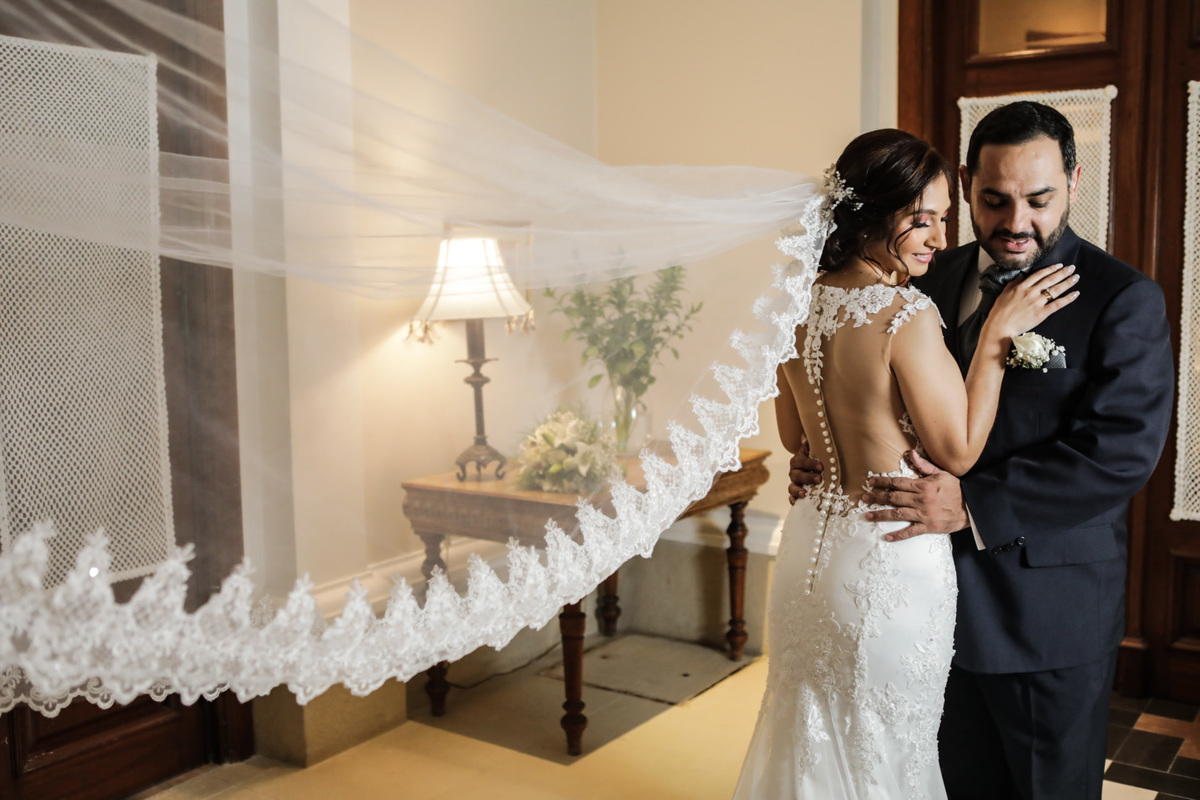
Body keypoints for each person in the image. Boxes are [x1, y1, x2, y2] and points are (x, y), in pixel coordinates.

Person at [788, 102, 1174, 799]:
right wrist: (824, 455)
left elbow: (1119, 453)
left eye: (1038, 200)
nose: (1016, 221)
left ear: (1074, 182)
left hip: (1041, 614)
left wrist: (973, 504)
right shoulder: (920, 274)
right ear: (966, 183)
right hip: (916, 599)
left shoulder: (1121, 298)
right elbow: (876, 397)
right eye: (994, 200)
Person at [734, 127, 1079, 799]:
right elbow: (957, 450)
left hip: (807, 555)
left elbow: (795, 439)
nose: (940, 239)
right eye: (922, 220)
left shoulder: (792, 302)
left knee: (806, 734)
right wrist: (996, 339)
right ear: (872, 214)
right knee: (887, 748)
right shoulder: (905, 313)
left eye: (944, 219)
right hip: (888, 556)